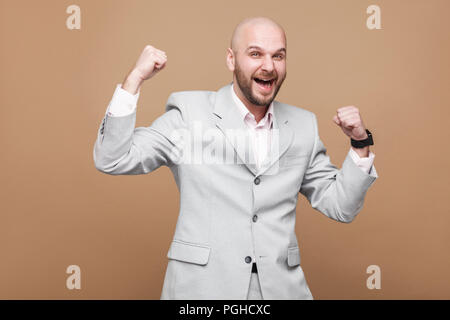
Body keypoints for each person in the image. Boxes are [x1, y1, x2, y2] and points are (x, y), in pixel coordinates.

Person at [93, 16, 378, 300]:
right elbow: (113, 159)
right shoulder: (189, 114)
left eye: (278, 56)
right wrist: (134, 79)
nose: (269, 66)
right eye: (255, 54)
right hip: (201, 293)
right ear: (231, 59)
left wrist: (359, 142)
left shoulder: (302, 126)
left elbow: (341, 206)